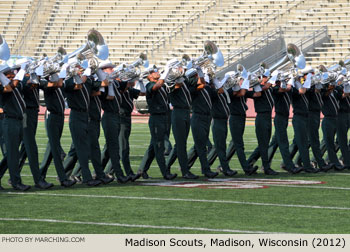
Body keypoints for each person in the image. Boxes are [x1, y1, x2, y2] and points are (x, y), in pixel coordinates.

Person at [137, 66, 177, 180]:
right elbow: (156, 86)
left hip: (164, 117)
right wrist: (167, 70)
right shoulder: (149, 85)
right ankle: (165, 173)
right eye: (154, 72)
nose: (157, 72)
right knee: (159, 147)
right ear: (149, 76)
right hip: (156, 118)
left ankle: (142, 169)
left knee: (154, 146)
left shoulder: (163, 86)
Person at [39, 70, 76, 187]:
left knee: (52, 147)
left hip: (59, 116)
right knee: (55, 150)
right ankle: (62, 178)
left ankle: (40, 175)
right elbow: (58, 84)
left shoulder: (59, 84)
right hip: (52, 116)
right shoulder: (46, 83)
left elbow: (64, 85)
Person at [104, 76, 145, 181]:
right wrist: (127, 80)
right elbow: (122, 88)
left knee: (115, 147)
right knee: (123, 147)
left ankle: (107, 171)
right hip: (121, 117)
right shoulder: (120, 89)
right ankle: (128, 172)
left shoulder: (129, 90)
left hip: (126, 118)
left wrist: (140, 81)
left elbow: (143, 93)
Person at [165, 59, 198, 179]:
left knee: (180, 143)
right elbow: (175, 85)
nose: (181, 68)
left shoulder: (183, 80)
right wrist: (180, 72)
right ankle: (185, 171)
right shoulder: (171, 80)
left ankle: (166, 166)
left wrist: (198, 69)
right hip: (178, 112)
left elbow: (197, 82)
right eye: (178, 66)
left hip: (185, 112)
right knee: (181, 144)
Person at [99, 60, 129, 183]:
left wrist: (125, 73)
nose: (113, 70)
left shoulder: (114, 83)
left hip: (116, 116)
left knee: (109, 147)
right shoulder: (104, 84)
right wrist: (108, 81)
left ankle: (98, 172)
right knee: (114, 147)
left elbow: (125, 85)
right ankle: (119, 174)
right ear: (104, 71)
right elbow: (106, 96)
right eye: (110, 69)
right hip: (109, 116)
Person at [247, 69, 279, 175]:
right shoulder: (258, 87)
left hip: (268, 117)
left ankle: (248, 163)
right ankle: (266, 167)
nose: (267, 78)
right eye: (265, 77)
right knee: (263, 144)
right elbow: (261, 90)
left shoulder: (268, 88)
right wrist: (271, 80)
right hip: (261, 117)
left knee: (264, 144)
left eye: (268, 76)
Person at [227, 73, 259, 175]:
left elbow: (257, 94)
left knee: (235, 144)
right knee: (239, 145)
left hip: (241, 117)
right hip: (235, 118)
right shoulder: (229, 90)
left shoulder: (241, 89)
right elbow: (240, 93)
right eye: (237, 79)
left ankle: (223, 166)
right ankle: (246, 168)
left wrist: (256, 83)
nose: (239, 80)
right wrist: (247, 80)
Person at [208, 77, 237, 176]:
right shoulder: (213, 92)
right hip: (217, 122)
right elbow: (219, 89)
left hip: (223, 121)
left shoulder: (222, 92)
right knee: (220, 147)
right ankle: (225, 169)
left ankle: (207, 165)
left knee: (220, 146)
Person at [321, 82, 345, 170]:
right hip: (328, 119)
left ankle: (333, 162)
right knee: (329, 143)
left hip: (335, 119)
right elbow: (326, 94)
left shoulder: (334, 92)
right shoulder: (323, 92)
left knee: (332, 143)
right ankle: (335, 163)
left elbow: (343, 95)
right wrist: (330, 87)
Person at [335, 82, 350, 169]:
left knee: (340, 140)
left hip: (348, 113)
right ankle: (346, 162)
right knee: (342, 139)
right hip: (341, 114)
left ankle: (343, 160)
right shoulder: (338, 88)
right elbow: (343, 95)